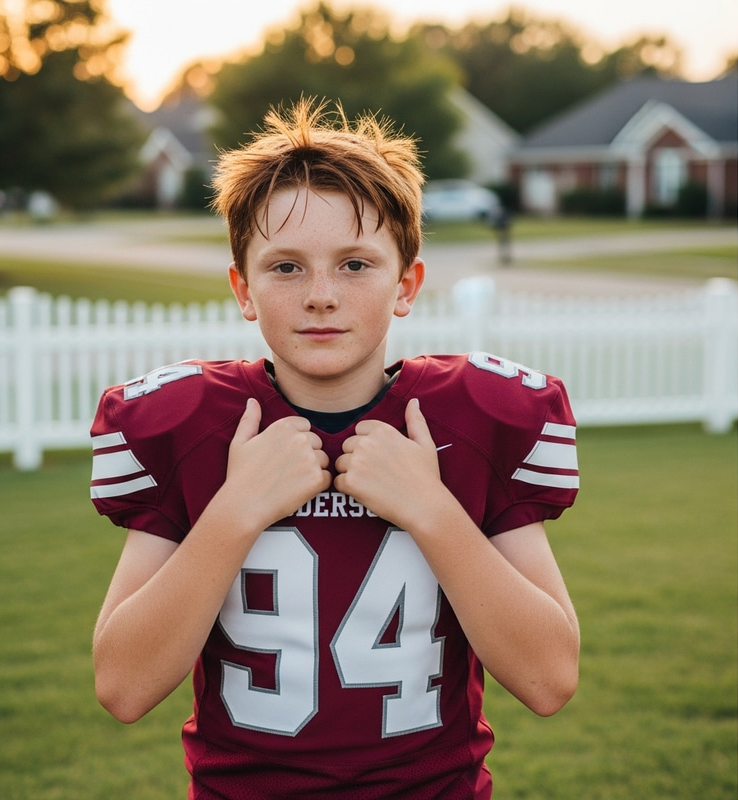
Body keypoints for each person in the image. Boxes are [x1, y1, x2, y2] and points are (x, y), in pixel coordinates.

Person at [89, 99, 580, 799]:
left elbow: (550, 678)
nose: (321, 296)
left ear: (406, 284)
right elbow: (123, 687)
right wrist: (235, 512)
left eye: (355, 264)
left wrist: (433, 511)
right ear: (243, 289)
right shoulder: (200, 429)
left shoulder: (468, 422)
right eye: (285, 268)